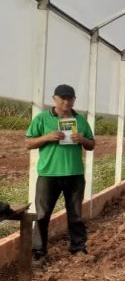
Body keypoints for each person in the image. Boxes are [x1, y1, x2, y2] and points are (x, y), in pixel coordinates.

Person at [25, 84, 95, 262]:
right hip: (49, 174)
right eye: (63, 98)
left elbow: (91, 145)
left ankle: (78, 248)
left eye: (70, 98)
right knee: (42, 214)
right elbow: (28, 143)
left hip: (74, 174)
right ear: (54, 99)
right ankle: (38, 252)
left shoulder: (80, 120)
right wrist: (47, 137)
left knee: (76, 214)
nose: (66, 102)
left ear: (74, 100)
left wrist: (83, 139)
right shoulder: (42, 118)